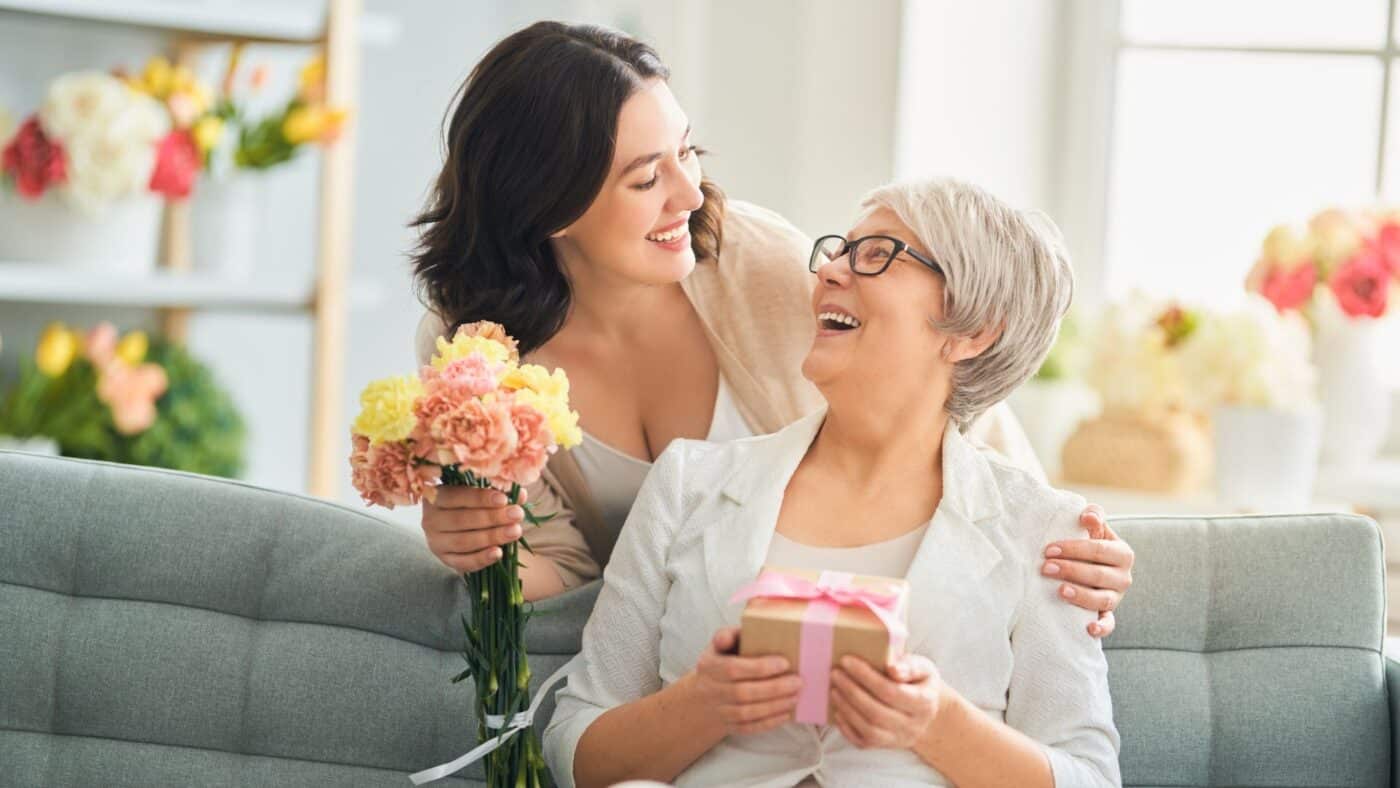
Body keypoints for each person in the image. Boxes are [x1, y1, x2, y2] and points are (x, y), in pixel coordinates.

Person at [411, 22, 1133, 635]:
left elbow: (945, 395)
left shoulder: (756, 262)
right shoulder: (472, 353)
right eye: (644, 178)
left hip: (853, 625)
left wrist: (1059, 547)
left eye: (686, 152)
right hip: (681, 653)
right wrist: (480, 546)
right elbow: (567, 573)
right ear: (550, 208)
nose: (689, 194)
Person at [543, 178, 1119, 787]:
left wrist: (937, 723)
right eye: (840, 251)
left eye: (878, 255)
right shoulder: (689, 484)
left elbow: (1090, 777)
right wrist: (702, 705)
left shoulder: (1047, 531)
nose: (831, 273)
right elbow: (575, 747)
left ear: (973, 332)